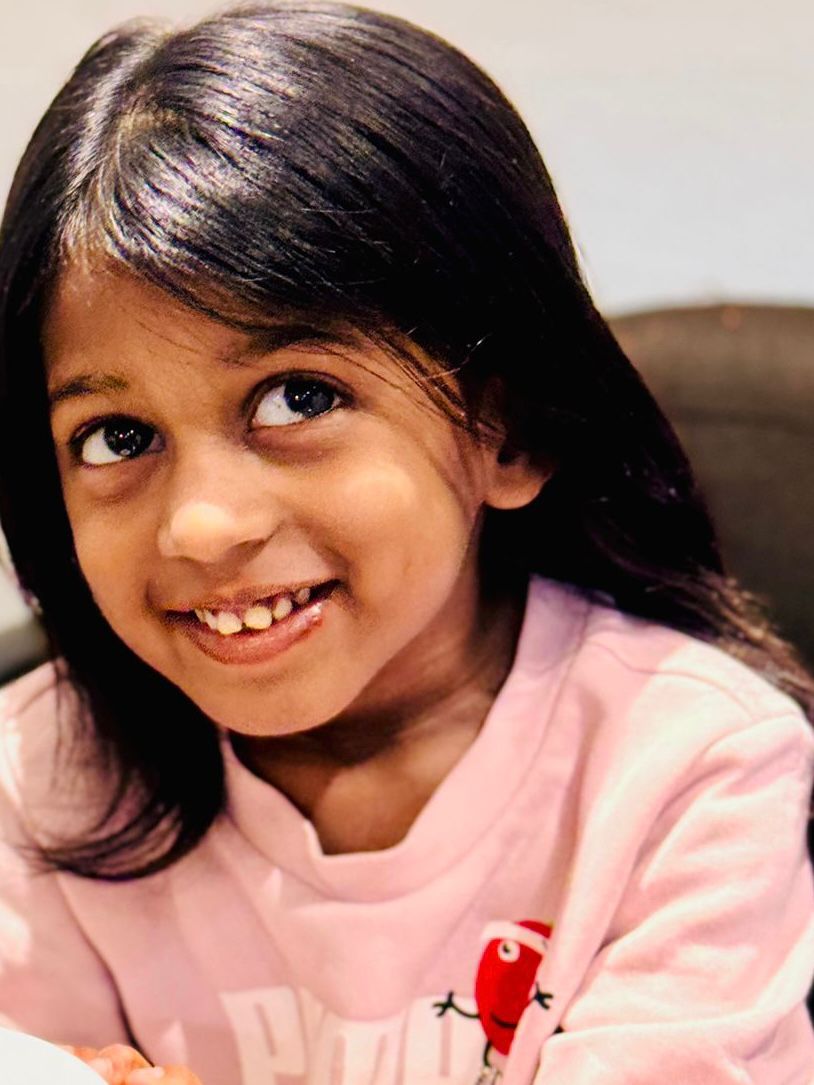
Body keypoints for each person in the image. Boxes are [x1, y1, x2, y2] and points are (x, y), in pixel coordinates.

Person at [0, 3, 812, 1083]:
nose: (200, 524)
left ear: (507, 429)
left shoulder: (687, 767)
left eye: (298, 396)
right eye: (117, 436)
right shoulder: (37, 780)